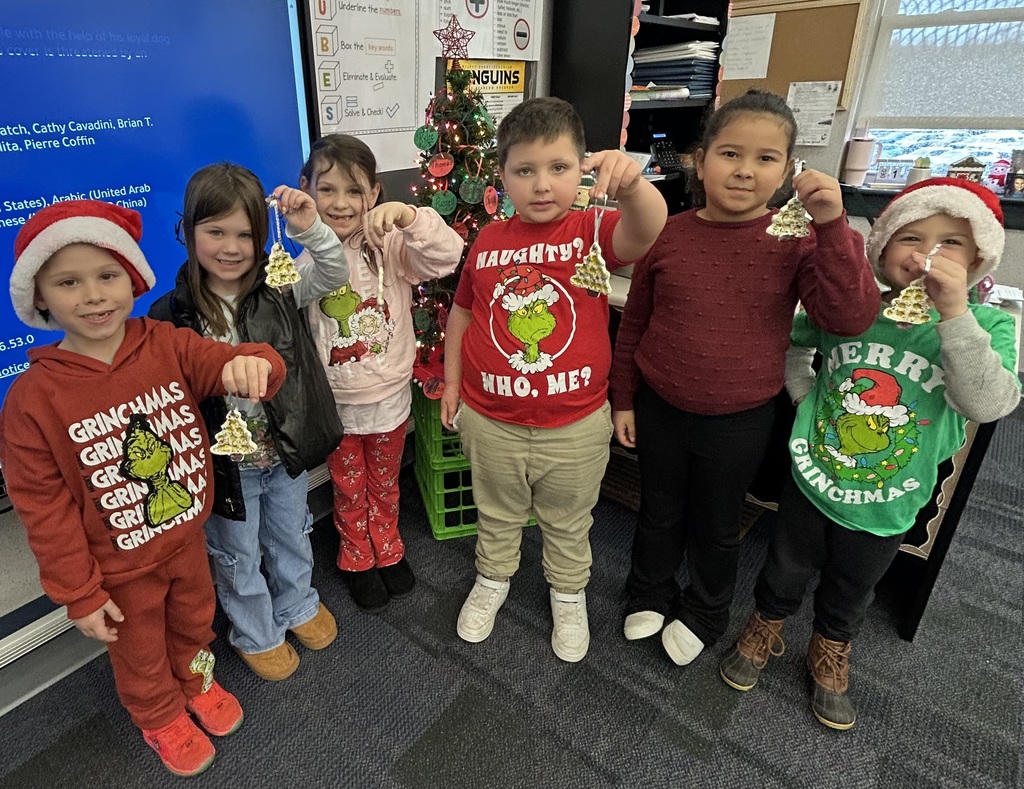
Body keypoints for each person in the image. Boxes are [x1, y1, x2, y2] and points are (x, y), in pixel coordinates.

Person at [720, 176, 1021, 730]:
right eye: (912, 237)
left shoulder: (988, 325)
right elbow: (792, 340)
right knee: (786, 566)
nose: (928, 252)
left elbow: (988, 403)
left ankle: (832, 647)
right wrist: (804, 396)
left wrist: (956, 316)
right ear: (883, 249)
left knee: (854, 582)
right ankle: (768, 622)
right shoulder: (854, 309)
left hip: (892, 493)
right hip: (816, 473)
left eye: (950, 241)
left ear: (979, 255)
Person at [0, 200, 286, 776]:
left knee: (194, 624)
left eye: (107, 275)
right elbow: (43, 508)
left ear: (130, 276)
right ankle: (157, 715)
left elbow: (235, 362)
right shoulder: (32, 400)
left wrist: (255, 365)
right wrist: (78, 592)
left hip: (187, 541)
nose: (93, 295)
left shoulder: (163, 342)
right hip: (118, 567)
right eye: (69, 282)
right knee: (139, 652)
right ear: (40, 298)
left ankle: (195, 681)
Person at [608, 89, 881, 667]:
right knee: (658, 509)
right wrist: (623, 399)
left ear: (786, 171)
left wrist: (832, 226)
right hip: (659, 403)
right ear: (699, 160)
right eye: (730, 154)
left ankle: (705, 609)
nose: (745, 171)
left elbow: (850, 318)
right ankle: (648, 590)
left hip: (739, 418)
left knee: (716, 521)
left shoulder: (797, 240)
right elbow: (634, 323)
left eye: (765, 159)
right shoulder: (671, 233)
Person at [441, 96, 668, 662]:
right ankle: (493, 579)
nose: (542, 185)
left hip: (574, 424)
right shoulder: (488, 241)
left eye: (559, 168)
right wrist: (450, 385)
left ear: (581, 169)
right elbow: (463, 315)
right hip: (491, 418)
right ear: (502, 178)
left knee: (569, 521)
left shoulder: (592, 228)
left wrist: (635, 186)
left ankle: (569, 594)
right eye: (525, 170)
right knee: (495, 511)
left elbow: (648, 232)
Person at [149, 163, 346, 682]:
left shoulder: (281, 286)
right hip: (224, 467)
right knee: (235, 554)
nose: (232, 247)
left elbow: (332, 271)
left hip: (283, 452)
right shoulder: (170, 314)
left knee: (293, 535)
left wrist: (309, 226)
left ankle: (298, 606)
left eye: (245, 234)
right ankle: (255, 632)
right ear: (188, 230)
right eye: (216, 232)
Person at [297, 134, 463, 610]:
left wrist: (412, 219)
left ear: (374, 194)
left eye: (355, 191)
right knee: (348, 486)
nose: (342, 203)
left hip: (390, 396)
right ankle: (356, 555)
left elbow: (446, 257)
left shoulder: (391, 244)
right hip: (336, 402)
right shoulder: (300, 256)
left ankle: (387, 548)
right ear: (305, 187)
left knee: (385, 482)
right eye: (327, 189)